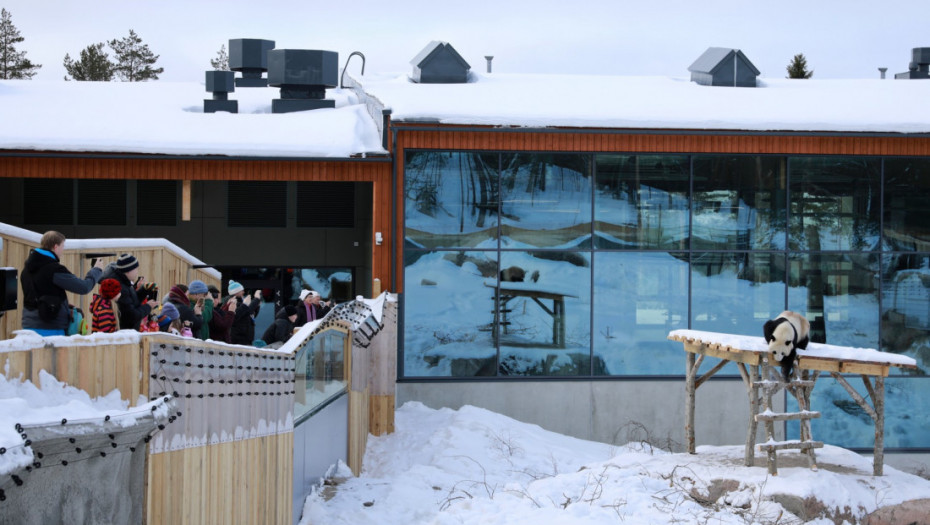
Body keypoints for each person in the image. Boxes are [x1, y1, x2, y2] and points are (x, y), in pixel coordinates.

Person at [21, 231, 105, 336]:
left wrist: (64, 306)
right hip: (51, 328)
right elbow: (83, 287)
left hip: (28, 326)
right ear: (55, 247)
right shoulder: (54, 269)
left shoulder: (26, 270)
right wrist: (96, 270)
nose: (63, 250)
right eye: (62, 246)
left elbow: (39, 295)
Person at [101, 253, 159, 331]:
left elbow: (132, 302)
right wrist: (148, 307)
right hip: (125, 334)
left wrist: (144, 290)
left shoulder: (125, 283)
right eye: (136, 269)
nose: (137, 272)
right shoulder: (121, 288)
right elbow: (132, 316)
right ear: (128, 271)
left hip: (127, 332)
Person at [223, 280, 261, 346]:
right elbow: (244, 311)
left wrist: (257, 306)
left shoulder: (241, 301)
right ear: (236, 292)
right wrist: (256, 299)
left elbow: (249, 314)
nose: (243, 292)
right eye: (241, 290)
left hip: (246, 338)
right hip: (238, 339)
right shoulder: (232, 302)